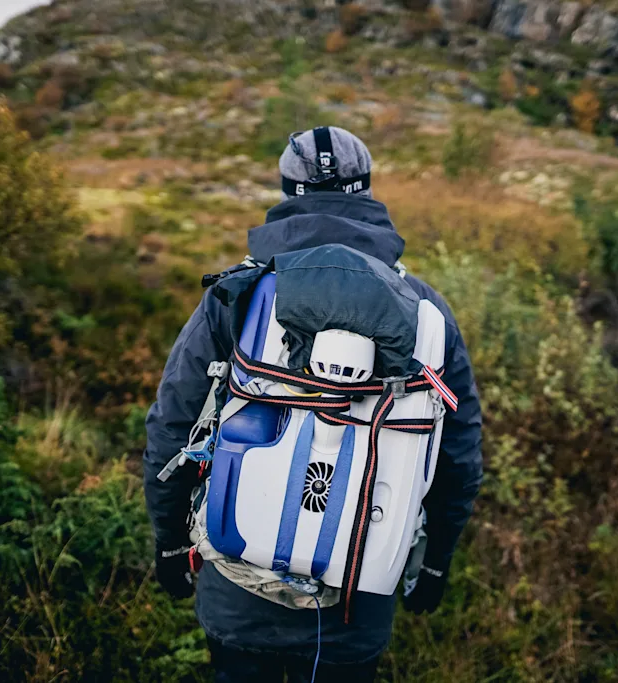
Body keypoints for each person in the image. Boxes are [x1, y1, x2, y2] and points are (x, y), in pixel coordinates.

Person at [143, 126, 483, 682]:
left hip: (237, 592)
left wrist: (169, 545)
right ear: (366, 192)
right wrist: (437, 562)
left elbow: (171, 427)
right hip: (355, 603)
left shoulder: (239, 294)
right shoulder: (425, 310)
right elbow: (458, 459)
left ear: (286, 191)